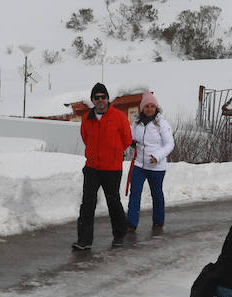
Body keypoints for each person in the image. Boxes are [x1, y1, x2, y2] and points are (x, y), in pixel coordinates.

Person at [72, 82, 133, 251]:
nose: (100, 100)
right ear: (92, 100)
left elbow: (127, 139)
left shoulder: (119, 117)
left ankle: (119, 235)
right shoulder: (87, 118)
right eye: (96, 97)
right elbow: (85, 137)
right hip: (92, 167)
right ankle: (84, 240)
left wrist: (113, 152)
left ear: (108, 99)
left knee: (113, 201)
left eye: (103, 97)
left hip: (112, 168)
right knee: (87, 203)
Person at [126, 89, 174, 233]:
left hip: (156, 167)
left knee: (156, 193)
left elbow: (169, 144)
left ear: (156, 108)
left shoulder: (162, 124)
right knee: (135, 193)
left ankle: (158, 221)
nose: (149, 109)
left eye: (152, 106)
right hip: (139, 165)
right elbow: (131, 137)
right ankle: (131, 224)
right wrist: (132, 142)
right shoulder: (136, 123)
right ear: (142, 108)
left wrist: (157, 156)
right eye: (147, 106)